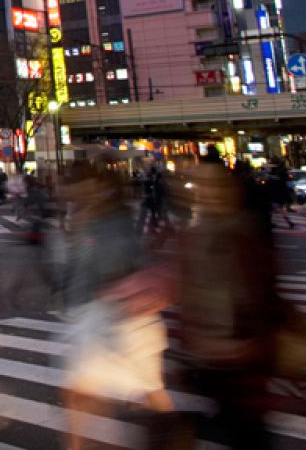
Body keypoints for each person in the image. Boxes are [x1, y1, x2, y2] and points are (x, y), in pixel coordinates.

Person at [61, 162, 172, 450]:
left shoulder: (113, 220)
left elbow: (114, 261)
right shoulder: (89, 216)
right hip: (99, 314)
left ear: (93, 186)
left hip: (122, 316)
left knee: (149, 388)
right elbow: (78, 263)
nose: (68, 191)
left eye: (75, 184)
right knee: (80, 393)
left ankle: (173, 436)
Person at [176, 162, 280, 449]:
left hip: (244, 355)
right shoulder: (193, 236)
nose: (209, 193)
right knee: (239, 429)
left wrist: (253, 343)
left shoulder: (246, 233)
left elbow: (266, 295)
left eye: (217, 185)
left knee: (245, 430)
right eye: (202, 186)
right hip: (211, 357)